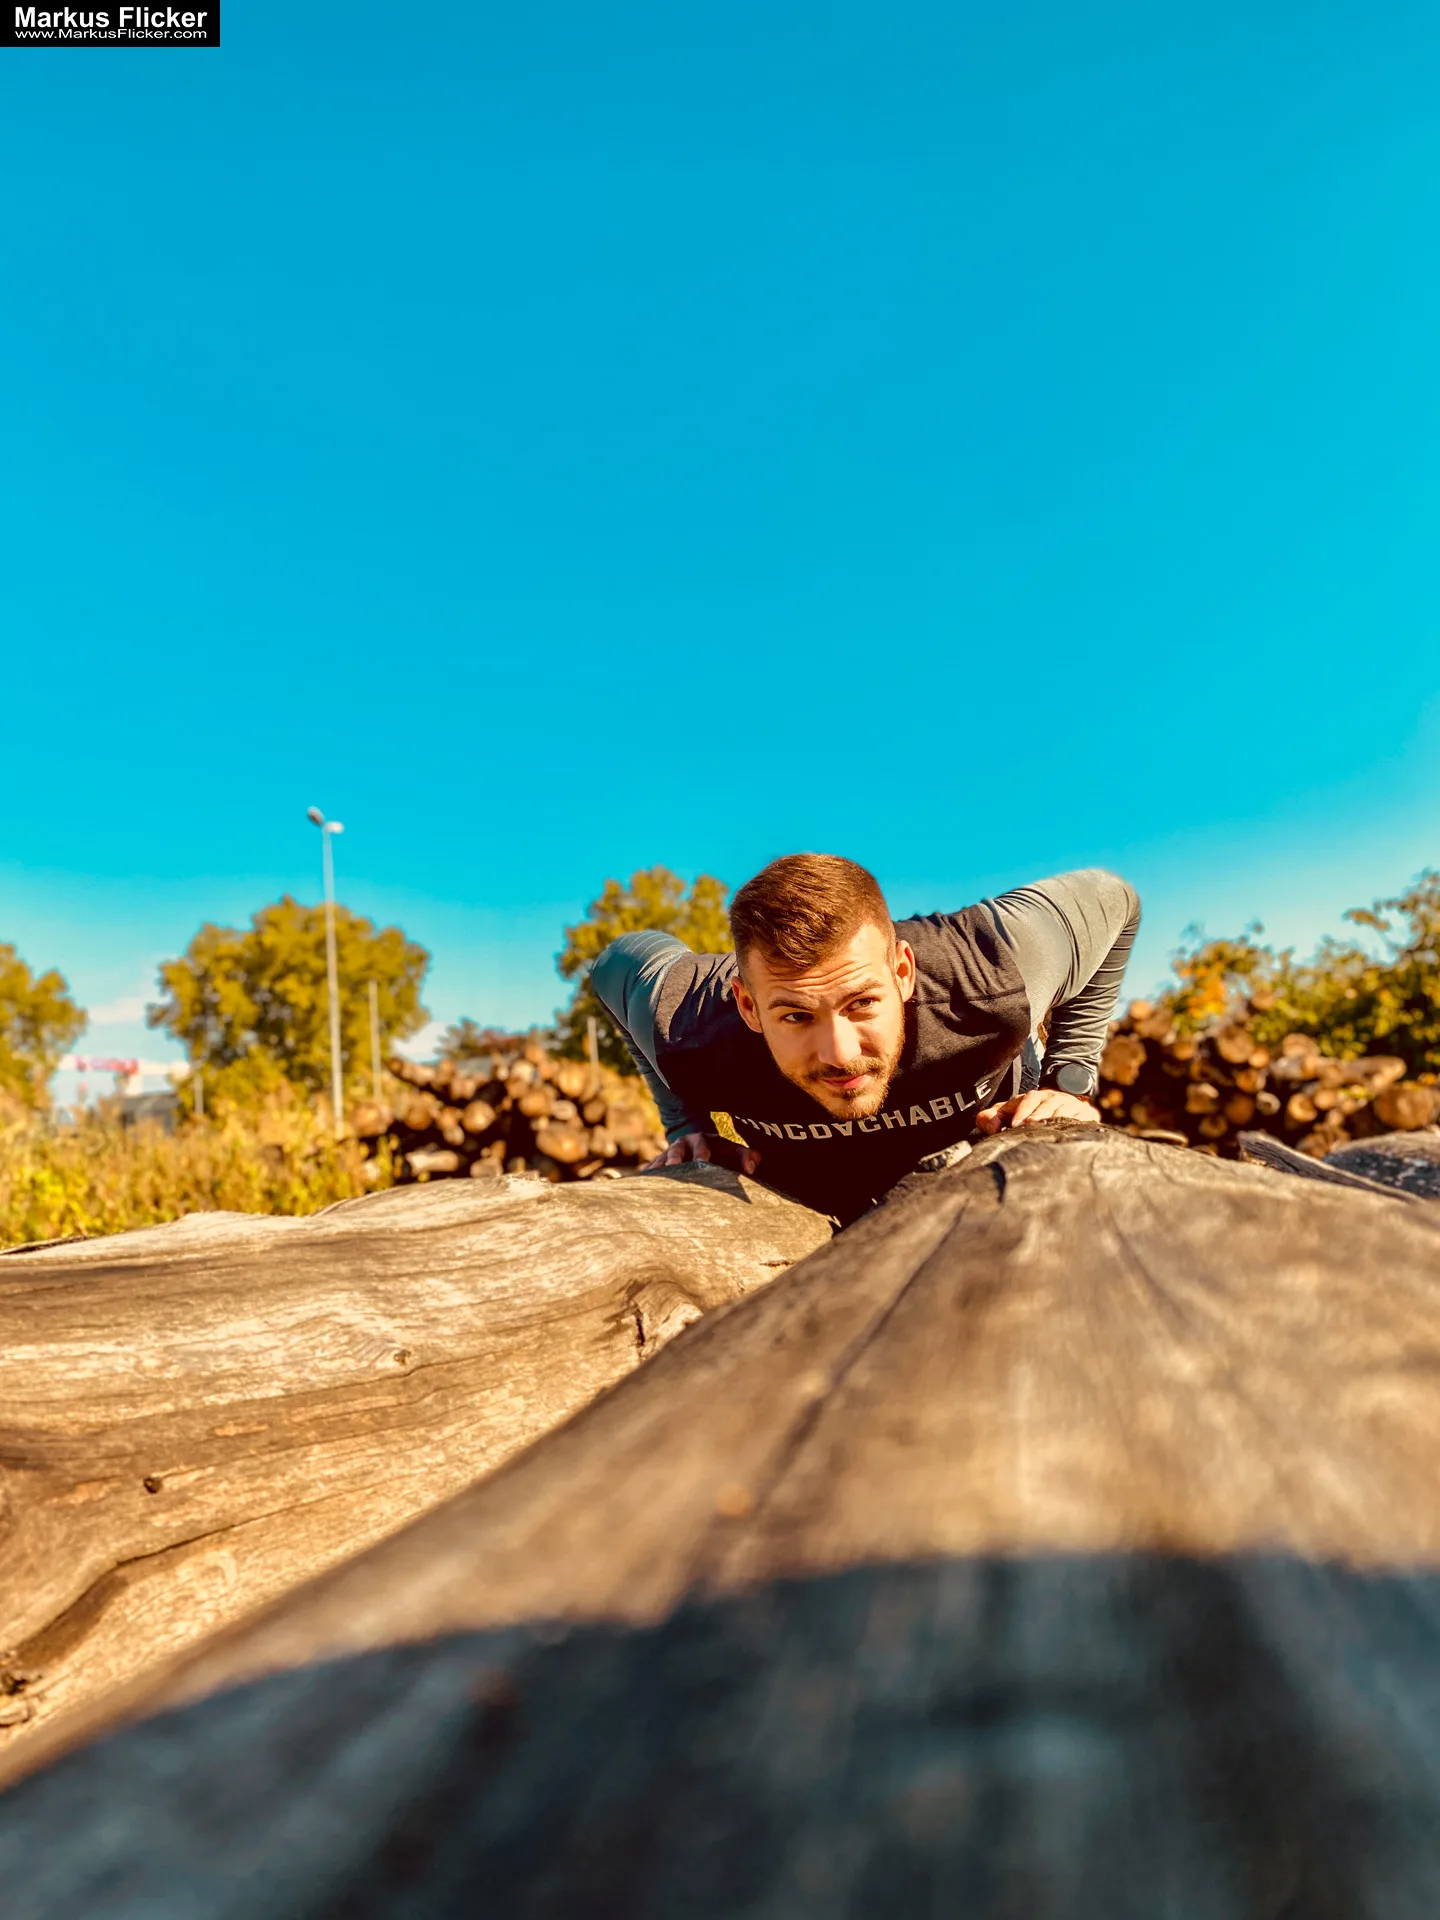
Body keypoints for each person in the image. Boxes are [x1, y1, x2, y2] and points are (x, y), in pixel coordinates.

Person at [592, 854, 1139, 1225]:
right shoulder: (689, 1025)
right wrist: (686, 1127)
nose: (840, 1054)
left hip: (982, 1164)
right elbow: (613, 965)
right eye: (795, 1016)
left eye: (862, 1004)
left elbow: (1116, 900)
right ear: (747, 1006)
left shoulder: (989, 972)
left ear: (903, 971)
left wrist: (1070, 1079)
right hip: (811, 1193)